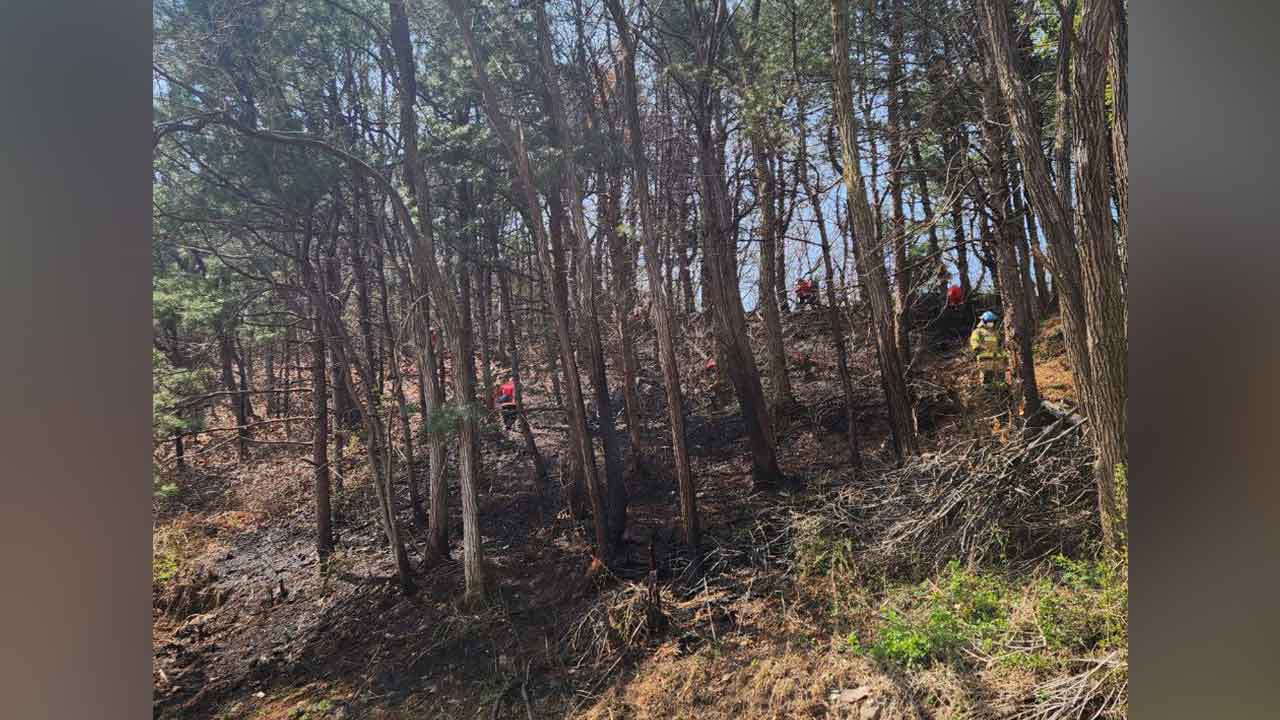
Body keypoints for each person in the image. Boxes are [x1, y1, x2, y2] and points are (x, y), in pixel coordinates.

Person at [969, 311, 1007, 386]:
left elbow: (1000, 346)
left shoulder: (995, 333)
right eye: (989, 321)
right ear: (983, 321)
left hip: (997, 359)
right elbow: (974, 341)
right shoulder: (978, 331)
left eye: (992, 321)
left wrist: (1005, 355)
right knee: (987, 378)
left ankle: (1001, 389)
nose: (991, 323)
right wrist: (977, 347)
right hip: (984, 359)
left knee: (1000, 376)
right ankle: (987, 390)